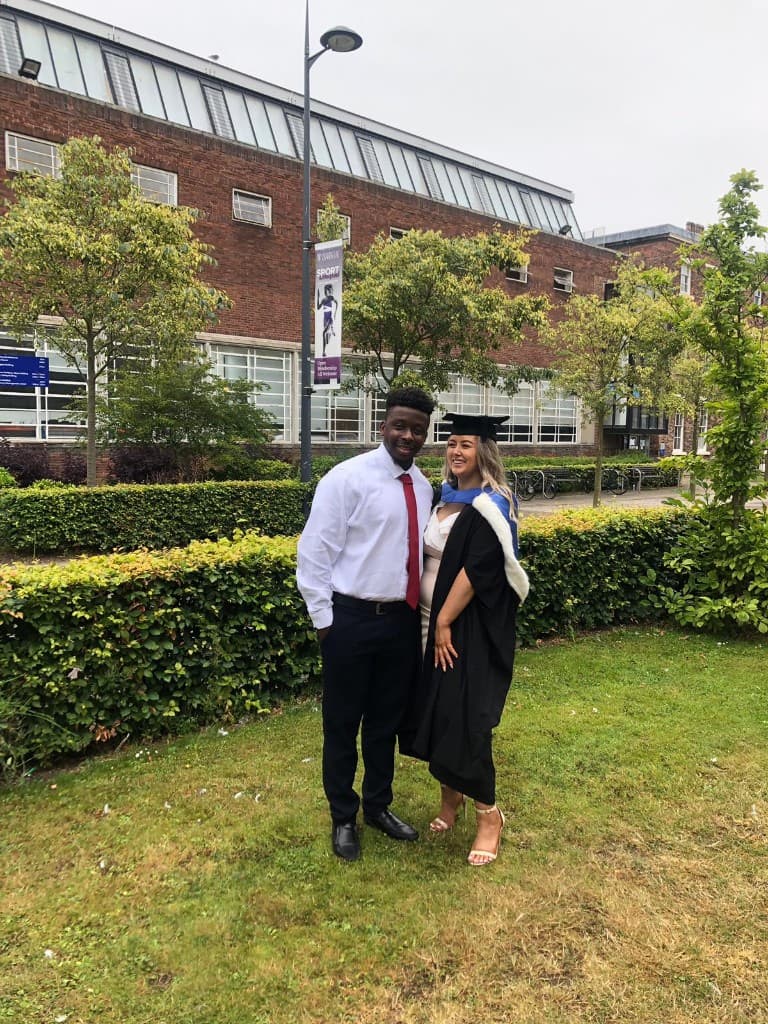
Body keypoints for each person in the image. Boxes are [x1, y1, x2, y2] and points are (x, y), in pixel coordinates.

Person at [296, 387, 436, 861]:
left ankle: (378, 806)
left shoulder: (422, 485)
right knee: (341, 723)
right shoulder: (346, 479)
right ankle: (342, 817)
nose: (408, 435)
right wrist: (324, 621)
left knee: (384, 723)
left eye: (418, 429)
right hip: (350, 620)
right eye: (401, 425)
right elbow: (314, 551)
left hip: (399, 621)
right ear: (384, 424)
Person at [401, 413, 529, 867]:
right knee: (436, 714)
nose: (456, 452)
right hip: (424, 624)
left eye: (467, 445)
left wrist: (443, 622)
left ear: (485, 452)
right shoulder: (444, 498)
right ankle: (449, 802)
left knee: (467, 720)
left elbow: (478, 571)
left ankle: (488, 815)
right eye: (452, 443)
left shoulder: (491, 505)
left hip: (463, 631)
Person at [316, 284, 338, 356]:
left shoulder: (331, 297)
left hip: (329, 317)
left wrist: (334, 313)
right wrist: (318, 297)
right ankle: (331, 331)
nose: (326, 292)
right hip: (325, 319)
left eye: (328, 290)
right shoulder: (323, 300)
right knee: (326, 336)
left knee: (324, 333)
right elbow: (318, 307)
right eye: (325, 291)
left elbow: (336, 302)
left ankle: (323, 351)